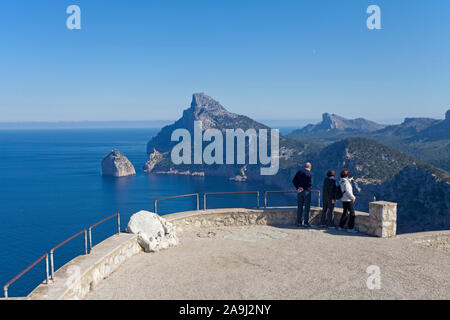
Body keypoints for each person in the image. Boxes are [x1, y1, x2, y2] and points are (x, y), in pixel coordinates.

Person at [292, 162, 313, 228]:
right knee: (307, 207)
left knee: (300, 207)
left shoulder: (299, 172)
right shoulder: (310, 174)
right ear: (310, 167)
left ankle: (299, 222)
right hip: (306, 192)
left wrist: (298, 187)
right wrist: (303, 188)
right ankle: (306, 223)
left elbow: (294, 181)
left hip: (299, 191)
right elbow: (310, 184)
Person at [338, 168, 357, 233]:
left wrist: (350, 180)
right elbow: (348, 191)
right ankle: (350, 228)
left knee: (345, 212)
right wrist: (353, 197)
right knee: (352, 213)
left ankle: (341, 226)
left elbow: (345, 182)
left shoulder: (341, 181)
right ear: (346, 175)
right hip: (348, 199)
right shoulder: (346, 183)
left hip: (343, 199)